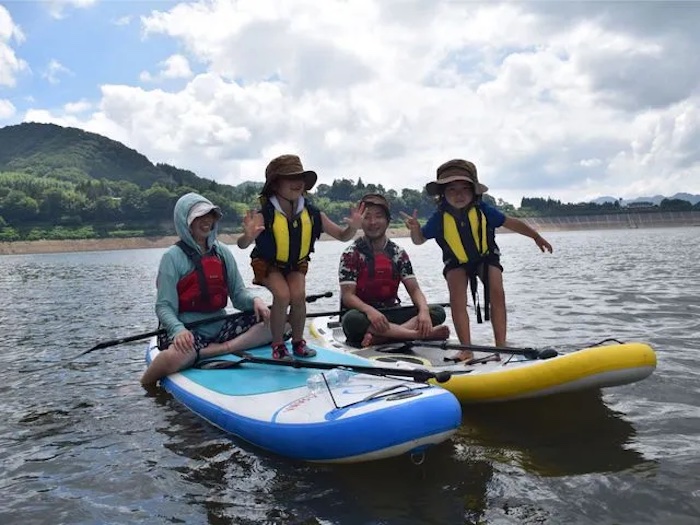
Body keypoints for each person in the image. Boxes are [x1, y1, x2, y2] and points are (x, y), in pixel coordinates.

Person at [402, 159, 553, 361]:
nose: (459, 194)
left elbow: (512, 223)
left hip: (486, 257)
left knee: (497, 292)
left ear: (474, 191)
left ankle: (501, 347)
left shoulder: (484, 210)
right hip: (456, 261)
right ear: (442, 194)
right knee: (457, 297)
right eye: (452, 189)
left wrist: (536, 236)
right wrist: (414, 230)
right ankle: (466, 348)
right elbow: (419, 240)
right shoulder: (439, 217)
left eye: (465, 188)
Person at [237, 154, 364, 360]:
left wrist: (353, 227)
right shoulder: (265, 213)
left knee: (298, 296)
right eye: (290, 178)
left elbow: (342, 236)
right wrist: (247, 236)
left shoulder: (312, 213)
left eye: (300, 178)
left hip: (296, 263)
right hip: (268, 263)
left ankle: (298, 342)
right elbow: (242, 244)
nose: (296, 183)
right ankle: (277, 345)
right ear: (275, 184)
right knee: (282, 295)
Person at [141, 192, 272, 386]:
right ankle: (145, 382)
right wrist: (178, 331)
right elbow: (164, 307)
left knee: (279, 321)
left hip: (220, 326)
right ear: (186, 222)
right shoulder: (172, 257)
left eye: (210, 216)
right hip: (189, 331)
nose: (206, 222)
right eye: (199, 217)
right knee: (174, 357)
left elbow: (238, 295)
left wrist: (256, 301)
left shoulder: (222, 252)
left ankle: (219, 349)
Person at [339, 193, 450, 347]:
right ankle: (414, 334)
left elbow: (414, 289)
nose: (373, 222)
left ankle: (382, 338)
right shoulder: (351, 253)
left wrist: (424, 311)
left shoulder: (398, 253)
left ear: (387, 221)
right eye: (367, 217)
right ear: (360, 222)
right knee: (351, 320)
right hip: (364, 316)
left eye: (378, 216)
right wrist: (370, 312)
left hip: (391, 313)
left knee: (437, 311)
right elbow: (348, 296)